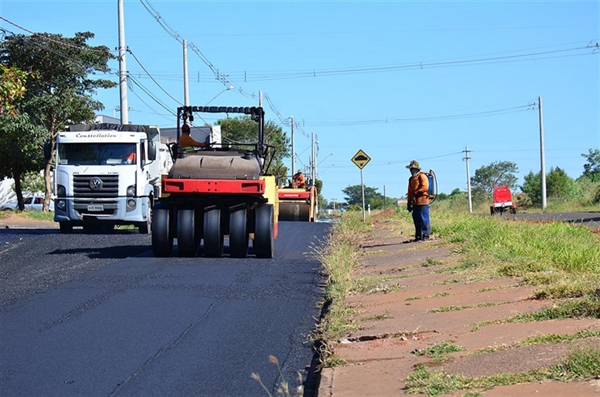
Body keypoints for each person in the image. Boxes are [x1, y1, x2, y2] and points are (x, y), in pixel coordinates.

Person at [406, 160, 431, 241]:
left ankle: (426, 235)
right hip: (415, 202)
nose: (411, 171)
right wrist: (409, 203)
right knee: (416, 219)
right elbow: (410, 191)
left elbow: (425, 187)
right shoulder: (411, 179)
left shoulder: (422, 176)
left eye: (412, 169)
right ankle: (418, 236)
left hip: (423, 201)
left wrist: (416, 193)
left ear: (417, 169)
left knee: (424, 218)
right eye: (410, 169)